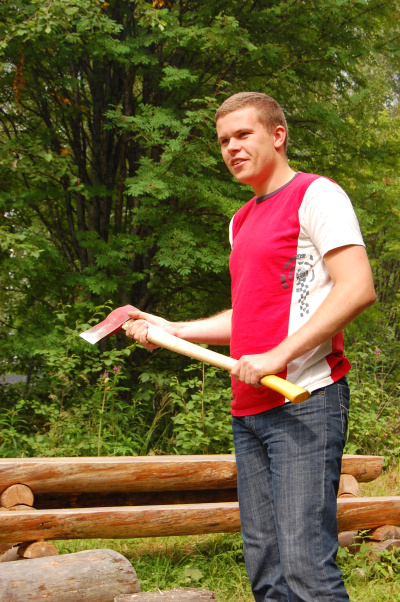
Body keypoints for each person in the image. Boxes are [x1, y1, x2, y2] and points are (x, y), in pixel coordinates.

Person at [124, 92, 376, 601]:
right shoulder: (240, 221)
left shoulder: (316, 195)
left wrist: (279, 355)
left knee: (306, 570)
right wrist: (174, 329)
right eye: (223, 141)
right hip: (250, 411)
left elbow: (357, 287)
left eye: (243, 134)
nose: (231, 148)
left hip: (304, 398)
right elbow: (250, 316)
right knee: (267, 572)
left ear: (277, 135)